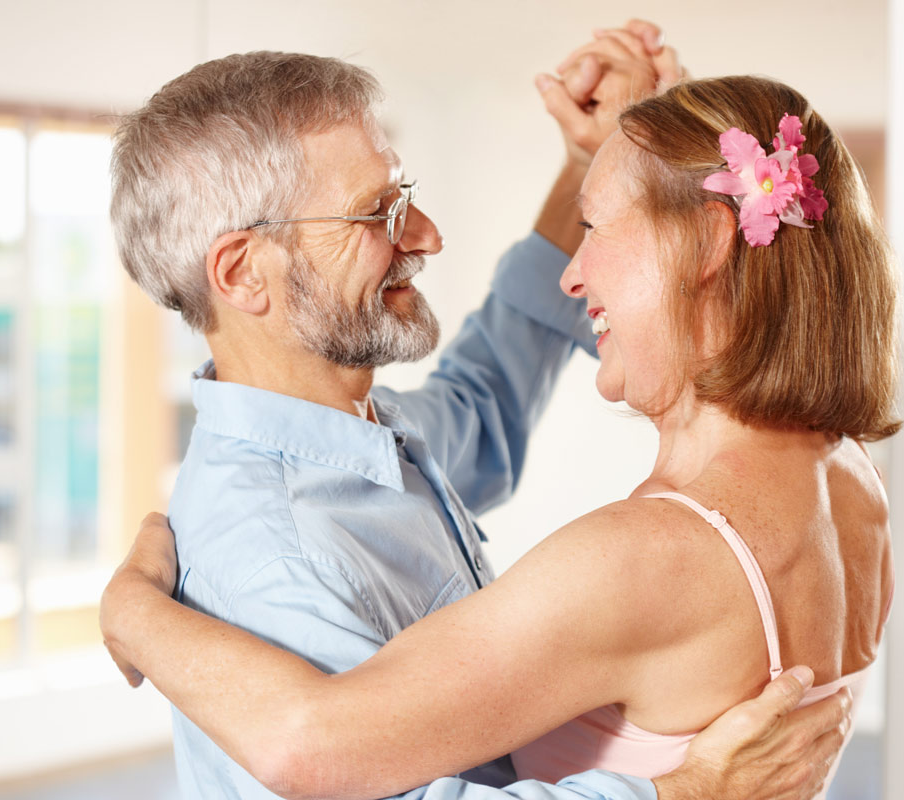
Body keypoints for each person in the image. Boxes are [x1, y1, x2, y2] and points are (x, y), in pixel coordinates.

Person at [100, 20, 850, 800]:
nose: (428, 235)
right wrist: (681, 794)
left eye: (408, 198)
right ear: (244, 272)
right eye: (377, 214)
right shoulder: (273, 555)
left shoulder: (367, 436)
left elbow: (486, 390)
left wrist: (585, 168)